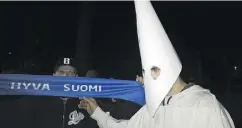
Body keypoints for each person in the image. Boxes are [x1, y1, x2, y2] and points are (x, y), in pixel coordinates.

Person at [78, 1, 235, 128]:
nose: (147, 77)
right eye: (145, 72)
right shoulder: (153, 108)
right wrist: (96, 112)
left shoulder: (204, 105)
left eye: (154, 69)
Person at [33, 57, 98, 128]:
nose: (65, 76)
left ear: (76, 77)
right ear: (54, 75)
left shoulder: (86, 104)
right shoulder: (38, 101)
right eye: (61, 72)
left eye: (70, 73)